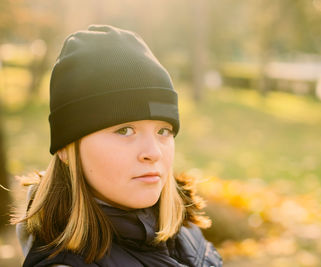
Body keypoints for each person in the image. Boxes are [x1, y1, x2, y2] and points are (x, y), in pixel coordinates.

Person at [13, 24, 223, 267]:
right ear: (65, 148)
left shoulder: (185, 230)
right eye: (124, 130)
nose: (153, 153)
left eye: (163, 131)